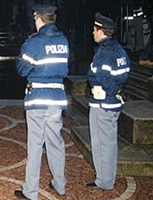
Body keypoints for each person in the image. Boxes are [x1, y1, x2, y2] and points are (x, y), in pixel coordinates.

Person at [14, 5, 69, 199]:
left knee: (35, 145)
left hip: (37, 98)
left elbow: (21, 69)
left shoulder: (34, 42)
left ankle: (31, 192)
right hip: (57, 99)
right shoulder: (63, 41)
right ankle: (60, 184)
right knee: (55, 142)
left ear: (39, 20)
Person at [86, 12, 129, 190]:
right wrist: (116, 91)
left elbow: (102, 76)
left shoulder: (104, 51)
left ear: (101, 31)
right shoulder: (118, 49)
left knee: (102, 144)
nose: (93, 33)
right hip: (112, 101)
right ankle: (106, 178)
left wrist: (109, 92)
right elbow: (123, 74)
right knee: (108, 142)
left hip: (103, 103)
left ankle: (104, 181)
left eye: (95, 30)